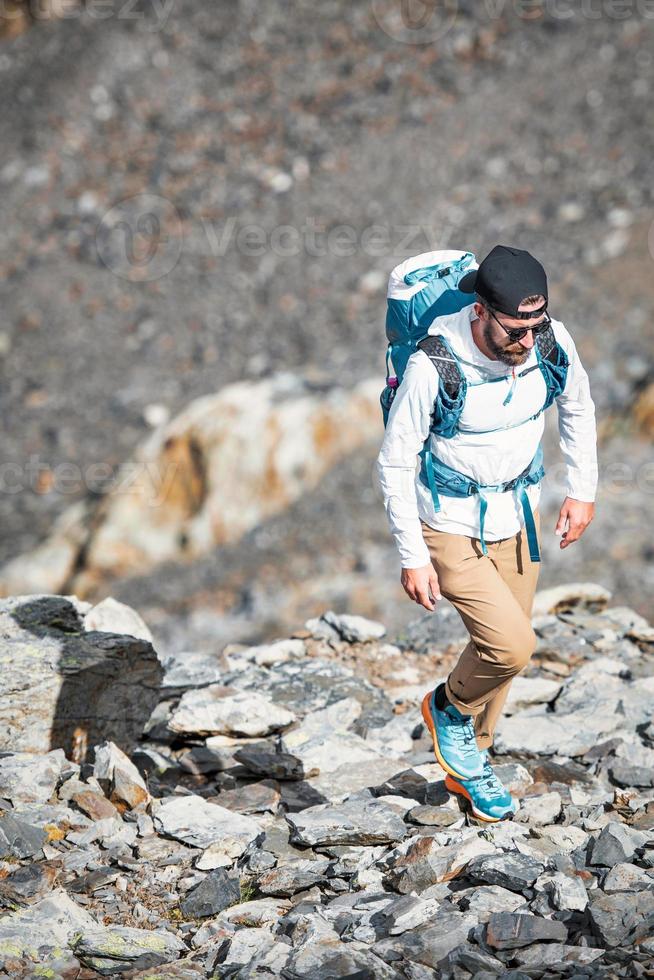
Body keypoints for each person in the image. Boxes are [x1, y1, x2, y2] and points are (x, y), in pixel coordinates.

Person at [376, 244, 598, 822]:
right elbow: (395, 462)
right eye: (515, 329)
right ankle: (447, 711)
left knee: (501, 655)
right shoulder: (433, 365)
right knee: (512, 646)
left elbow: (576, 405)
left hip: (516, 515)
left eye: (536, 325)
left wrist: (582, 489)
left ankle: (472, 767)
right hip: (447, 525)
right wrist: (413, 556)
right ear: (480, 310)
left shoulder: (550, 339)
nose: (527, 342)